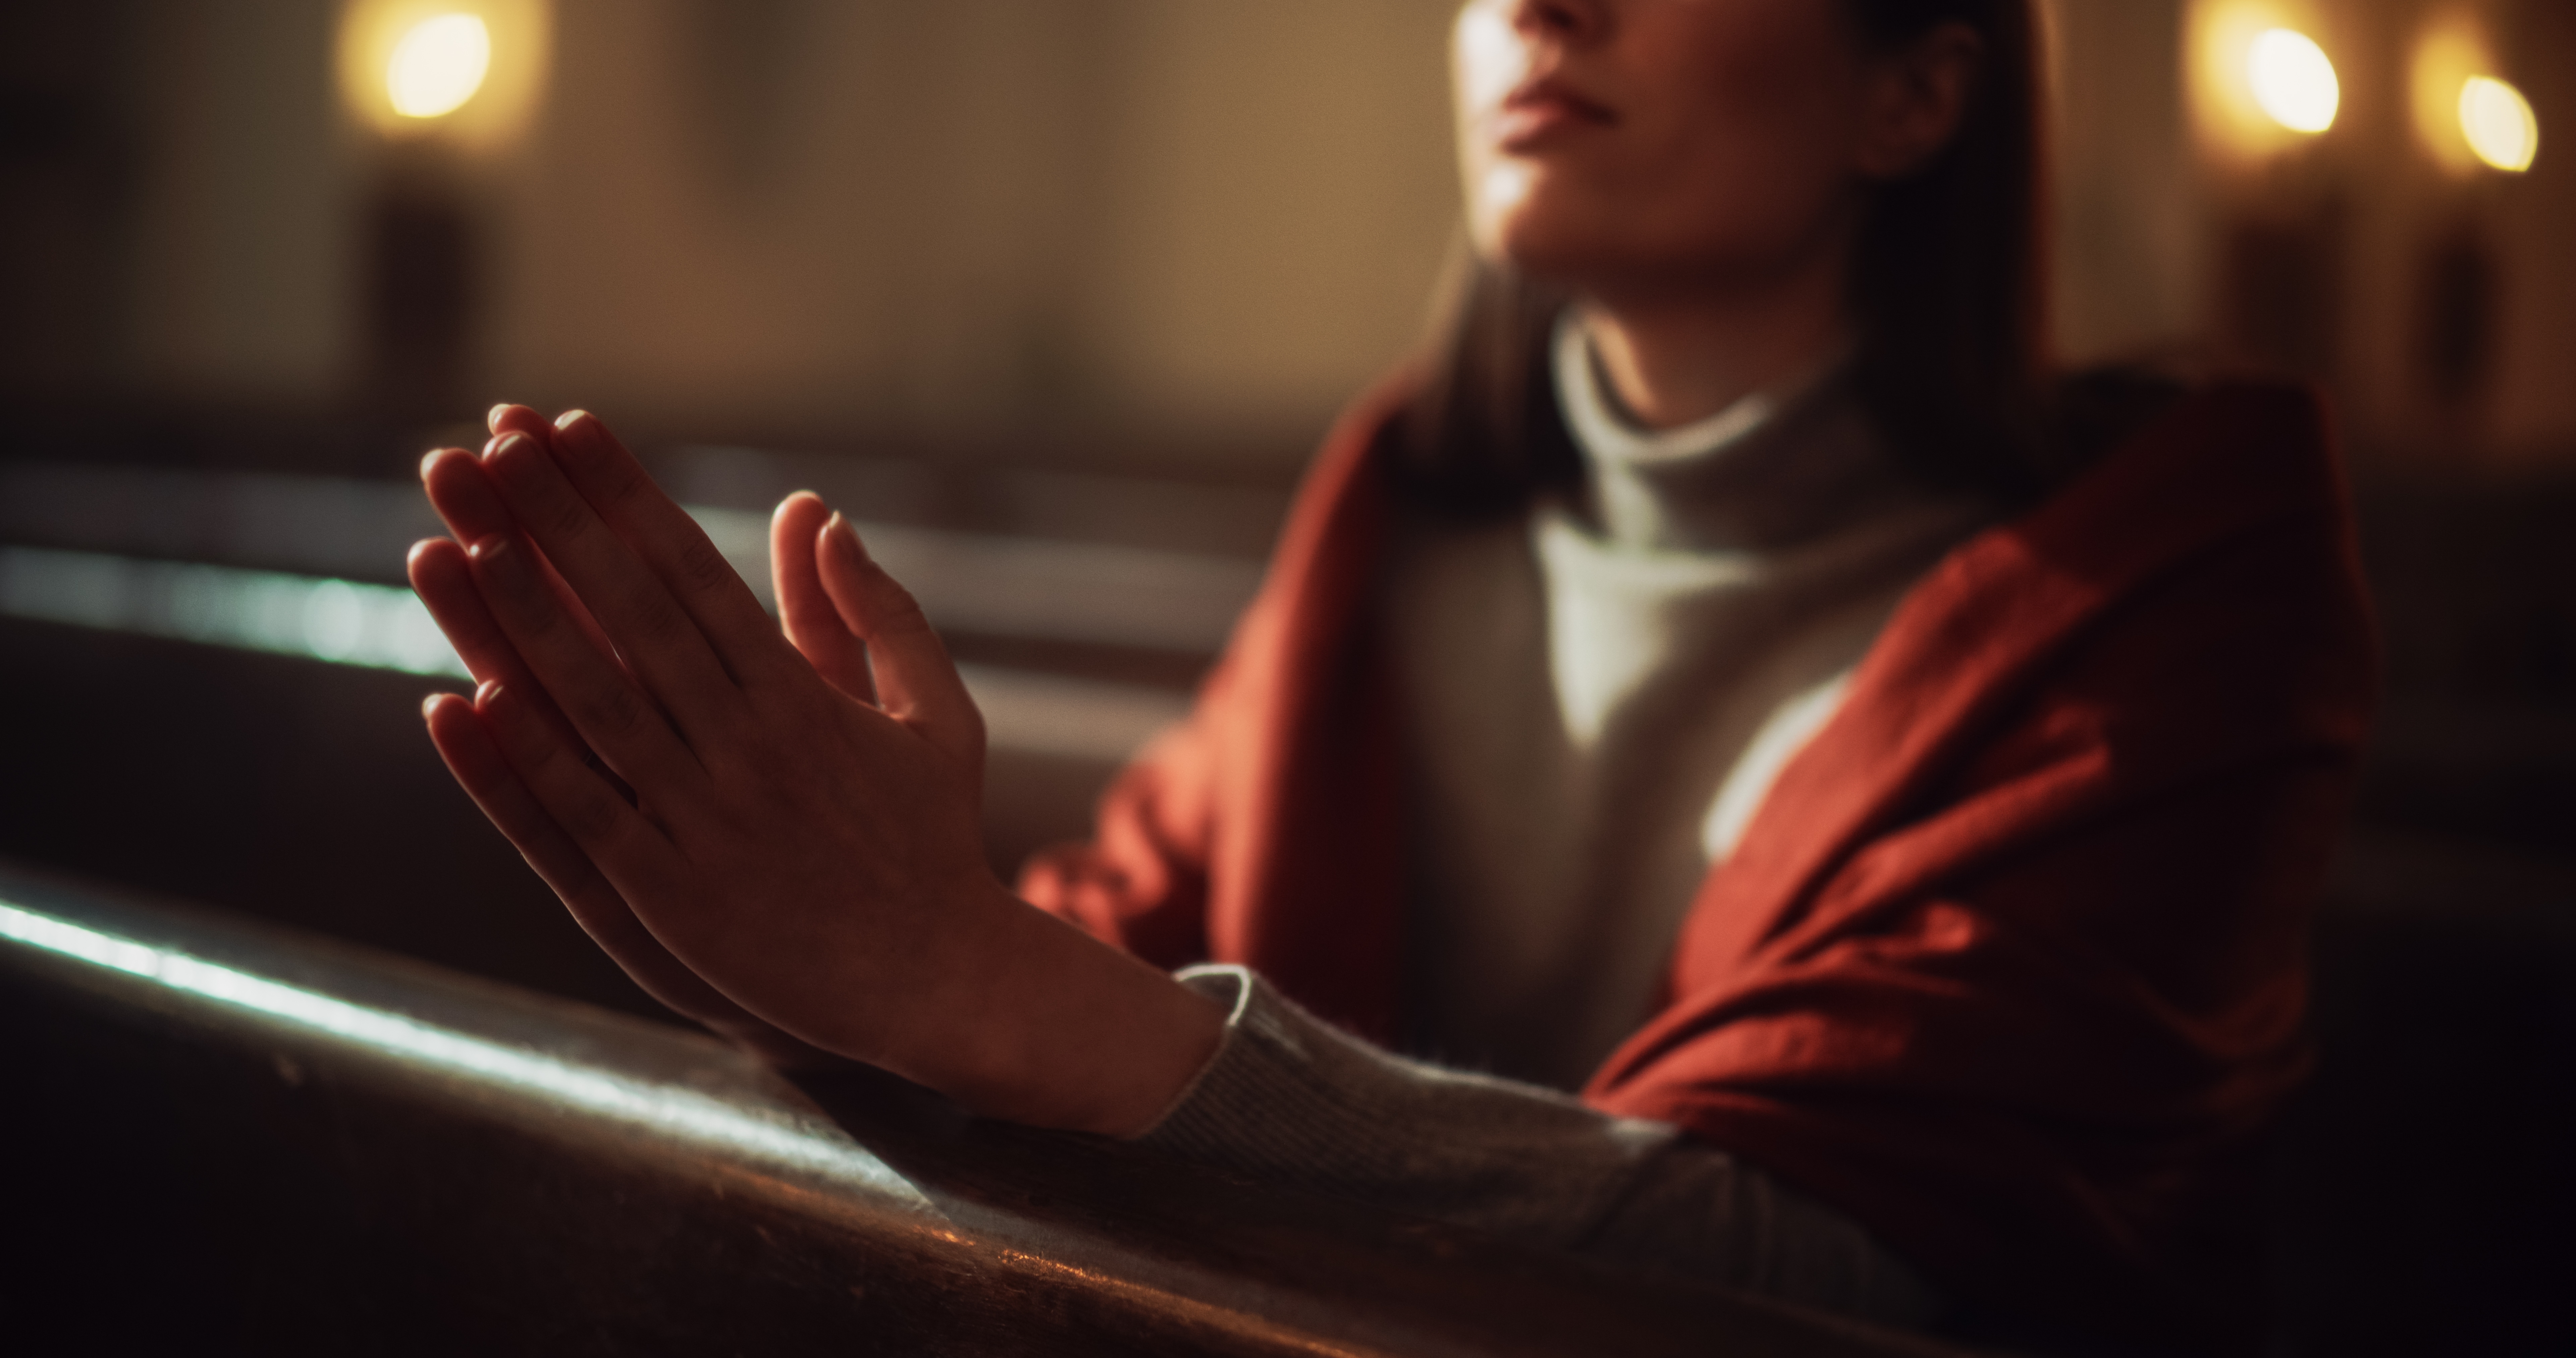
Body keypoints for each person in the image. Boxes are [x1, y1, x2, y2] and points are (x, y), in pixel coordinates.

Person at [407, 0, 2375, 1351]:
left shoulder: (2186, 569)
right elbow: (1072, 968)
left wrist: (968, 985)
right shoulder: (1405, 517)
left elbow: (1855, 1269)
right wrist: (792, 949)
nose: (1539, 2)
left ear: (1914, 98)